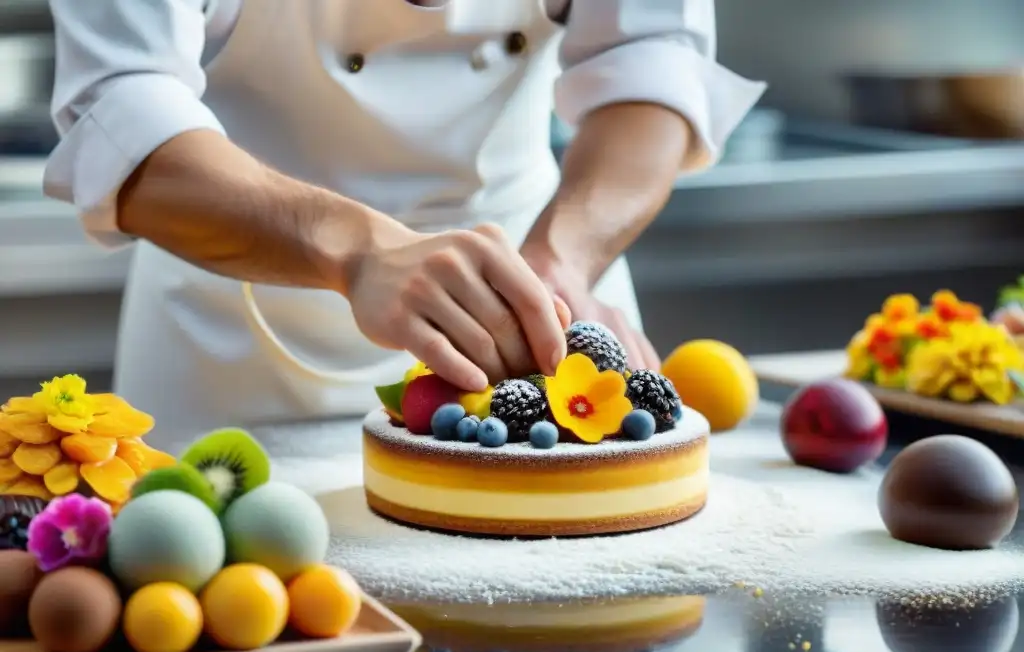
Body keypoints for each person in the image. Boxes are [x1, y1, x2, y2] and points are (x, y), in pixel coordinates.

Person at [45, 0, 764, 447]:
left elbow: (650, 61)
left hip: (537, 317)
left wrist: (562, 260)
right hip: (232, 346)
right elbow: (123, 114)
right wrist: (360, 251)